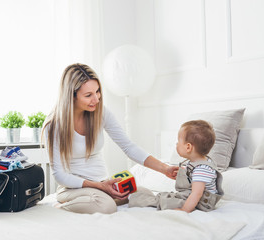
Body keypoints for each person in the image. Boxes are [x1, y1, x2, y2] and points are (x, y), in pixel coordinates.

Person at [42, 63, 178, 214]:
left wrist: (165, 169)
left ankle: (96, 198)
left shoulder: (100, 113)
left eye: (97, 91)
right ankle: (62, 206)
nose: (96, 99)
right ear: (71, 96)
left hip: (102, 183)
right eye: (88, 95)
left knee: (144, 193)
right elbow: (59, 175)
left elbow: (128, 147)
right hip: (72, 188)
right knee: (106, 205)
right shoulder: (53, 125)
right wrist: (99, 186)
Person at [128, 120, 224, 213]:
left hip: (200, 204)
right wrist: (183, 175)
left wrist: (185, 210)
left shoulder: (202, 169)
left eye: (178, 141)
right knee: (166, 197)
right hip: (192, 198)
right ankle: (140, 197)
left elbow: (197, 193)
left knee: (166, 201)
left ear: (188, 147)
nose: (176, 144)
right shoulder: (198, 163)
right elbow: (192, 182)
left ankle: (137, 199)